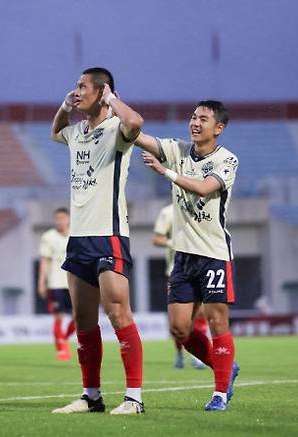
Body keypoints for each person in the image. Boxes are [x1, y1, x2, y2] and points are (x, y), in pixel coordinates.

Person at [50, 67, 145, 415]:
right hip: (78, 239)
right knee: (84, 322)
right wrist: (64, 104)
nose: (76, 91)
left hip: (109, 235)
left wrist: (112, 101)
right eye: (75, 86)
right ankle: (92, 396)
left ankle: (134, 398)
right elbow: (55, 131)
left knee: (119, 313)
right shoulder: (76, 132)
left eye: (82, 87)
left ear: (102, 91)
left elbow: (136, 123)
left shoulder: (116, 129)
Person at [136, 100, 240, 411]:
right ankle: (225, 368)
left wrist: (164, 171)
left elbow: (204, 188)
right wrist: (112, 106)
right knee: (179, 329)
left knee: (216, 322)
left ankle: (219, 394)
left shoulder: (227, 160)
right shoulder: (178, 149)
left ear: (218, 128)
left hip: (213, 254)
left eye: (203, 119)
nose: (195, 123)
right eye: (193, 117)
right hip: (182, 257)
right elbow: (141, 136)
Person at [153, 203, 208, 370]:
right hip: (175, 271)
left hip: (201, 269)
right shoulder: (168, 211)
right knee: (179, 322)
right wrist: (174, 242)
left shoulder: (203, 207)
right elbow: (157, 239)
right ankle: (179, 353)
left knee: (201, 314)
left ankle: (197, 356)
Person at [38, 207, 75, 361]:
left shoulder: (76, 235)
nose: (60, 221)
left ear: (69, 219)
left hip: (74, 282)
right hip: (56, 283)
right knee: (58, 316)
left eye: (63, 218)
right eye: (57, 218)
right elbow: (45, 261)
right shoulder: (48, 237)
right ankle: (62, 348)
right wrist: (41, 282)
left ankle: (63, 339)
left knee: (78, 317)